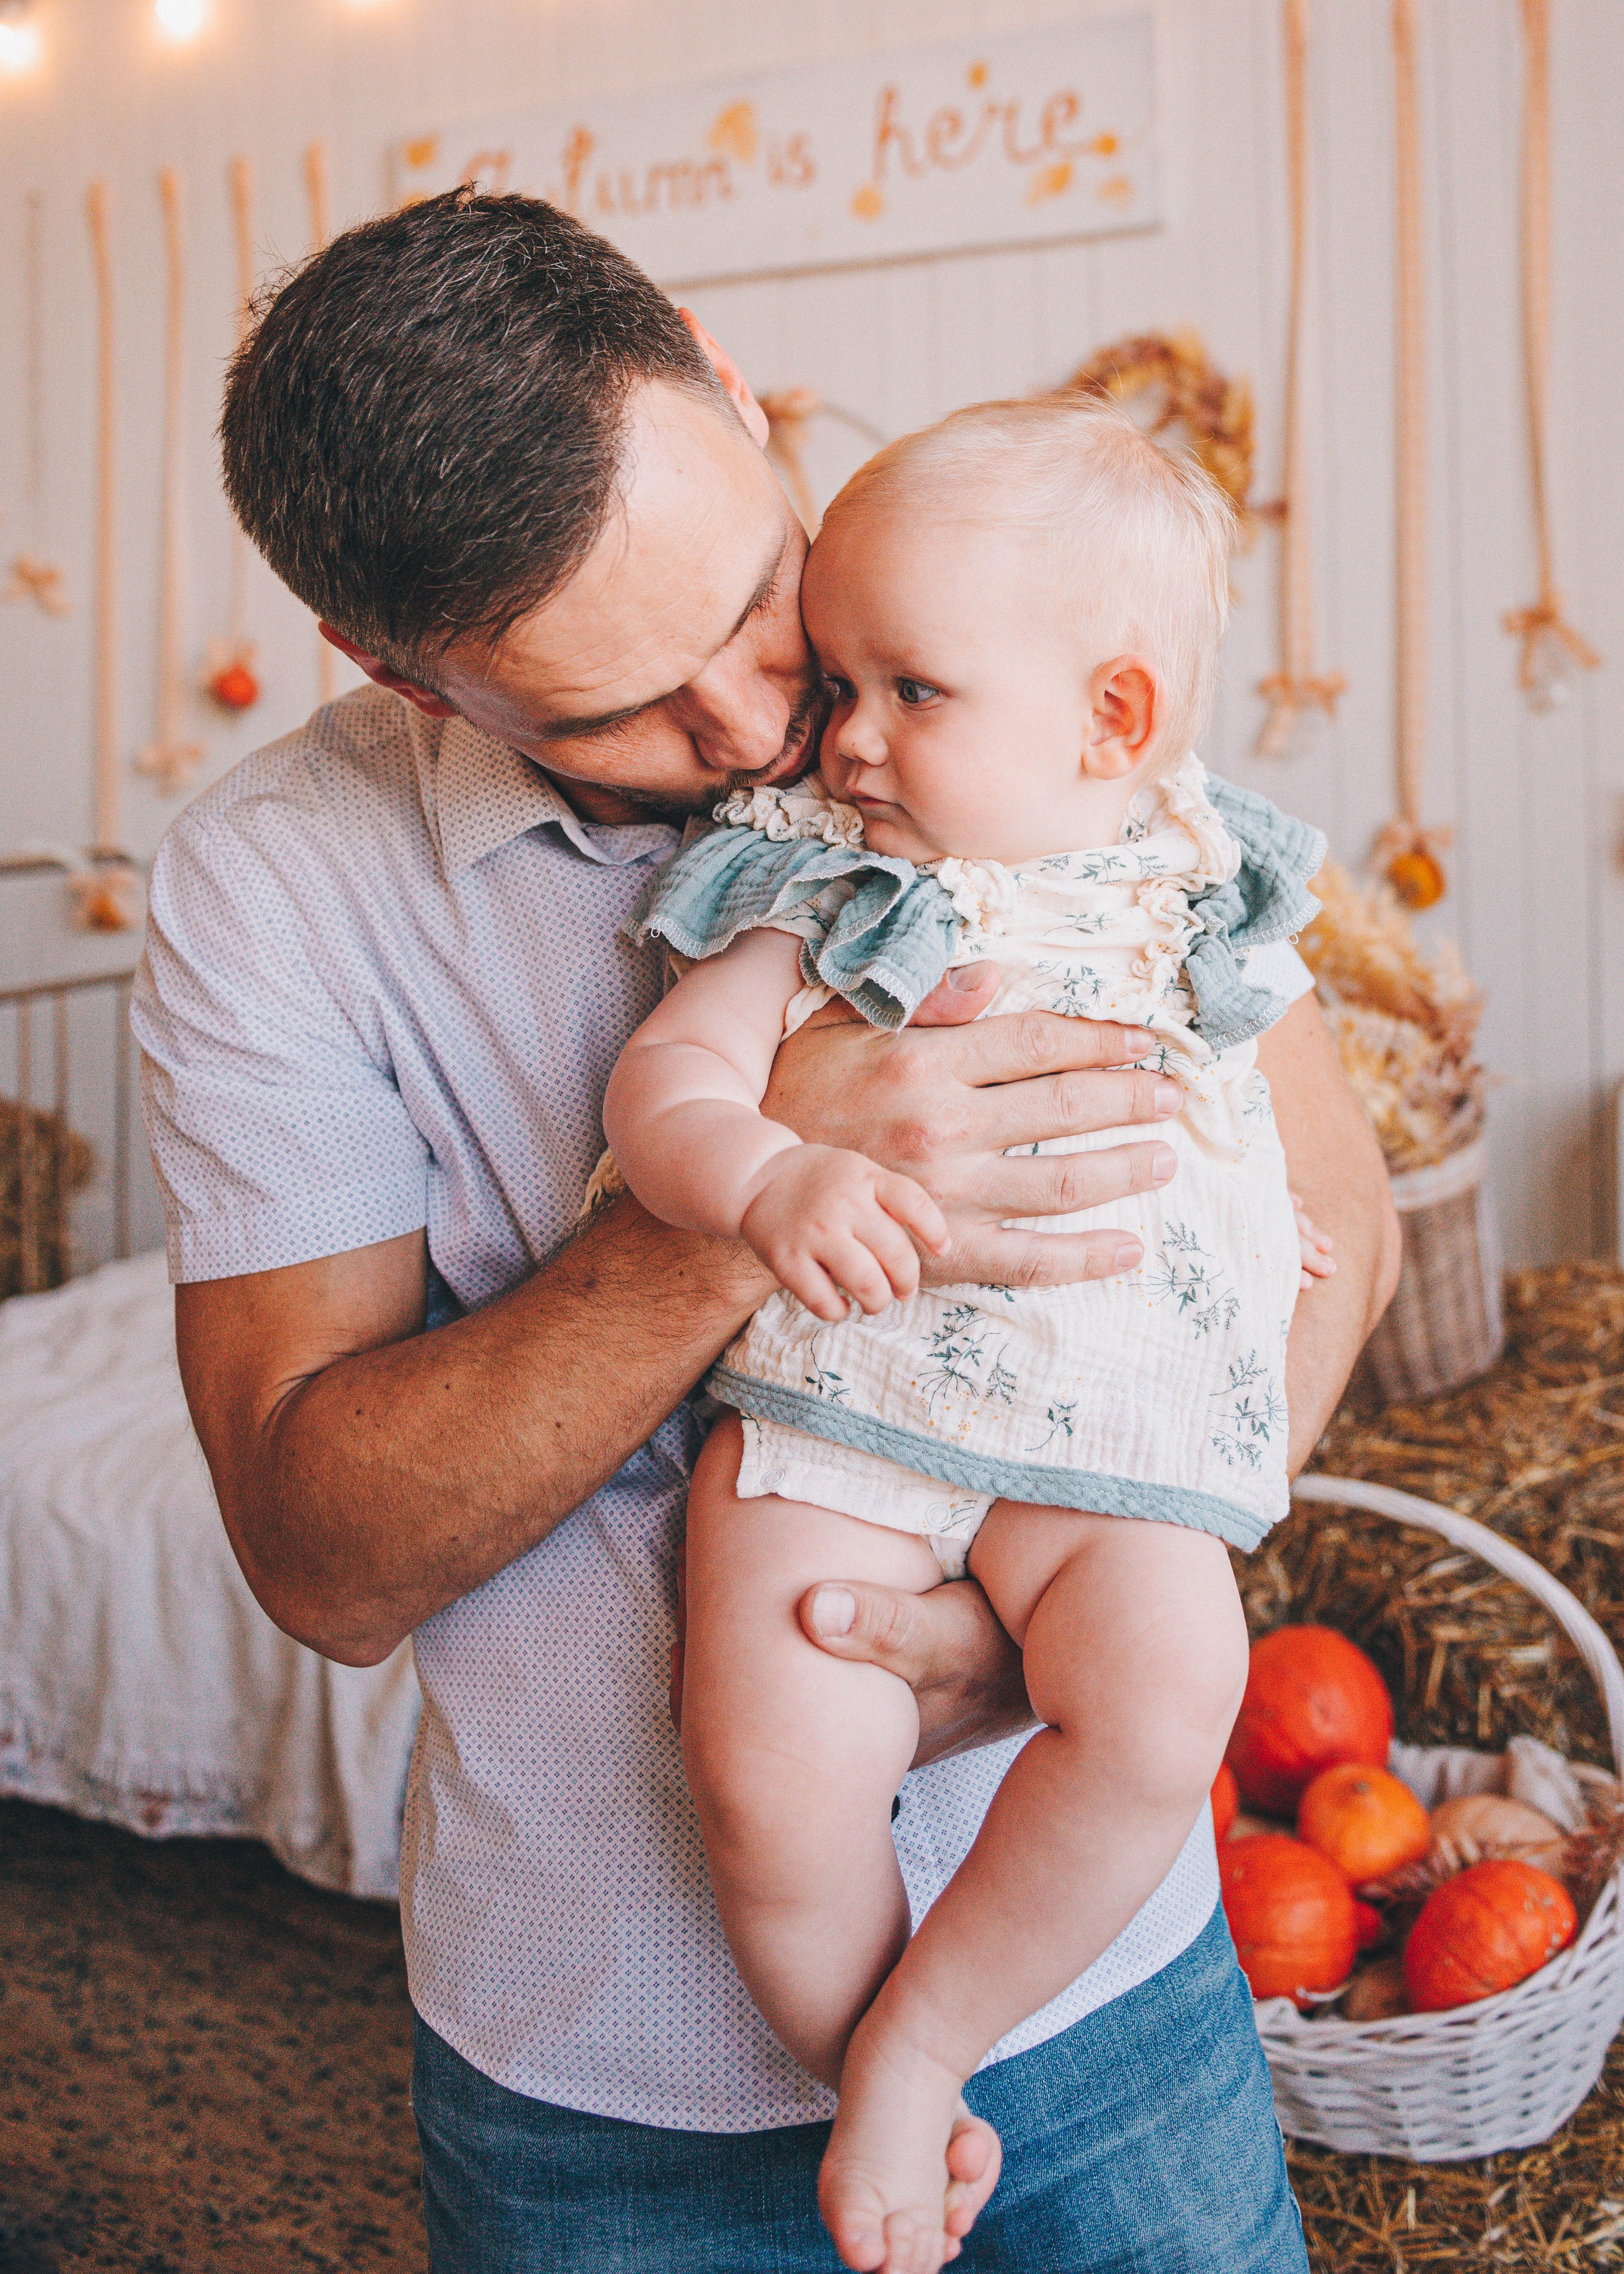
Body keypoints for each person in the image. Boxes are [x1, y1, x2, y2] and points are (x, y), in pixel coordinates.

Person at [133, 189, 1398, 2272]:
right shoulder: (270, 893)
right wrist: (749, 1198)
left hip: (1103, 1980)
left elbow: (1327, 1192)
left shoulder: (977, 608)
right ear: (393, 671)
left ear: (731, 387)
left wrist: (1099, 1568)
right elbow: (320, 1557)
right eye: (609, 711)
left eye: (750, 609)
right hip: (606, 2055)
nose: (757, 733)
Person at [605, 397, 1336, 2274]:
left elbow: (1251, 1102)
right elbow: (664, 1086)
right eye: (839, 679)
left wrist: (1260, 1228)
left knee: (1168, 1698)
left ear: (1115, 719)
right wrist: (763, 1176)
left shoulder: (1199, 876)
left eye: (911, 690)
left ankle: (924, 2041)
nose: (844, 736)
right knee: (770, 1769)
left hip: (1104, 1421)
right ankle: (869, 2068)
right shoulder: (832, 879)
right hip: (849, 1402)